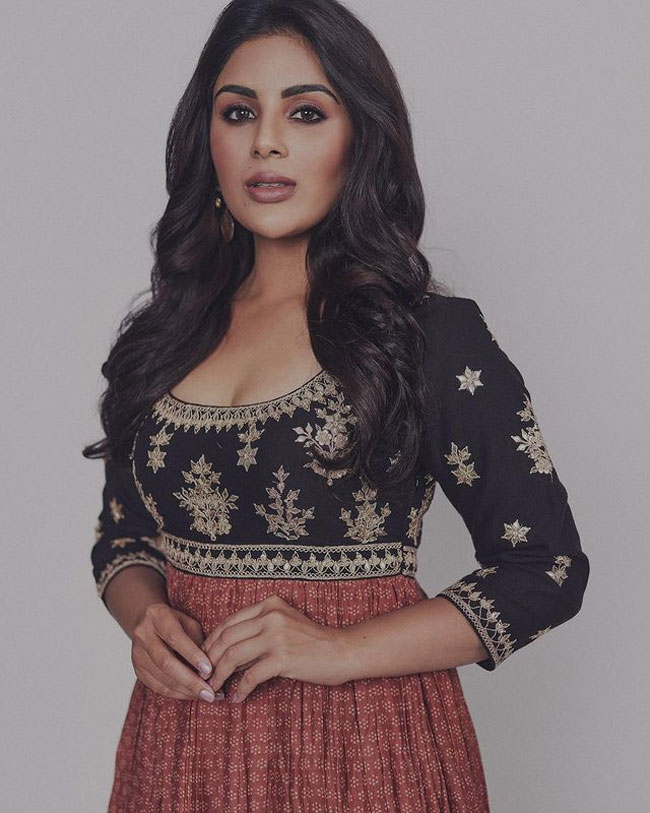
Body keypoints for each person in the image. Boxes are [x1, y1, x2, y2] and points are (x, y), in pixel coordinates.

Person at [83, 1, 590, 810]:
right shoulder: (165, 336)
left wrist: (339, 649)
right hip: (181, 747)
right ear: (205, 138)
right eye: (238, 112)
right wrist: (146, 620)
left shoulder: (424, 337)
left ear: (362, 138)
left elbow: (547, 568)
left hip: (366, 745)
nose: (266, 142)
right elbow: (123, 536)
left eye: (306, 112)